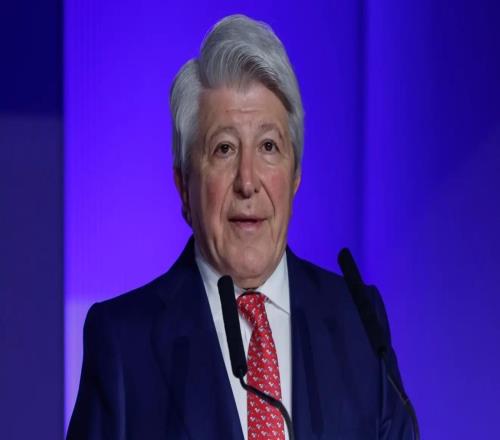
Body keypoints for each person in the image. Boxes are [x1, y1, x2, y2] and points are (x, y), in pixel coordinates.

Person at [67, 14, 413, 440]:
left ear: (295, 176)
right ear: (184, 186)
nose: (247, 181)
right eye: (224, 149)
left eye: (268, 146)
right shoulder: (123, 343)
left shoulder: (359, 322)